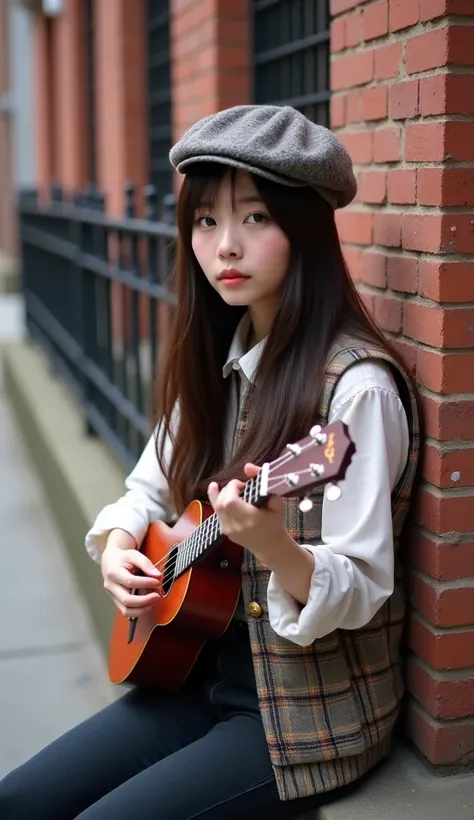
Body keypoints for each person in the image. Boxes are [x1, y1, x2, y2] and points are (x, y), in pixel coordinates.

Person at [0, 105, 420, 819]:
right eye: (205, 222)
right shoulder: (218, 361)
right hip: (197, 676)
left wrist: (273, 544)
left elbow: (361, 585)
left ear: (306, 230)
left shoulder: (356, 390)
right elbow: (143, 488)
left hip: (300, 722)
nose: (225, 246)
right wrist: (121, 546)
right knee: (18, 799)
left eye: (255, 218)